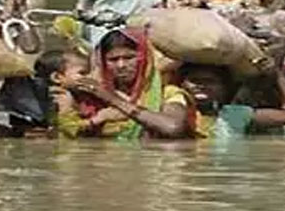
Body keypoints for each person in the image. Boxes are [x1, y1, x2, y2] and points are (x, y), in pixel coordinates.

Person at [58, 28, 194, 139]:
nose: (121, 65)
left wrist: (113, 99)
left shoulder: (168, 93)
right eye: (113, 59)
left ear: (145, 58)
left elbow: (173, 128)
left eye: (129, 58)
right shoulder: (90, 94)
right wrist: (96, 120)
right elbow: (66, 136)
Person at [179, 64, 285, 139]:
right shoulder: (176, 115)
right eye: (195, 81)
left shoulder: (235, 115)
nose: (201, 86)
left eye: (209, 82)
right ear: (182, 85)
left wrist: (278, 76)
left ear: (225, 89)